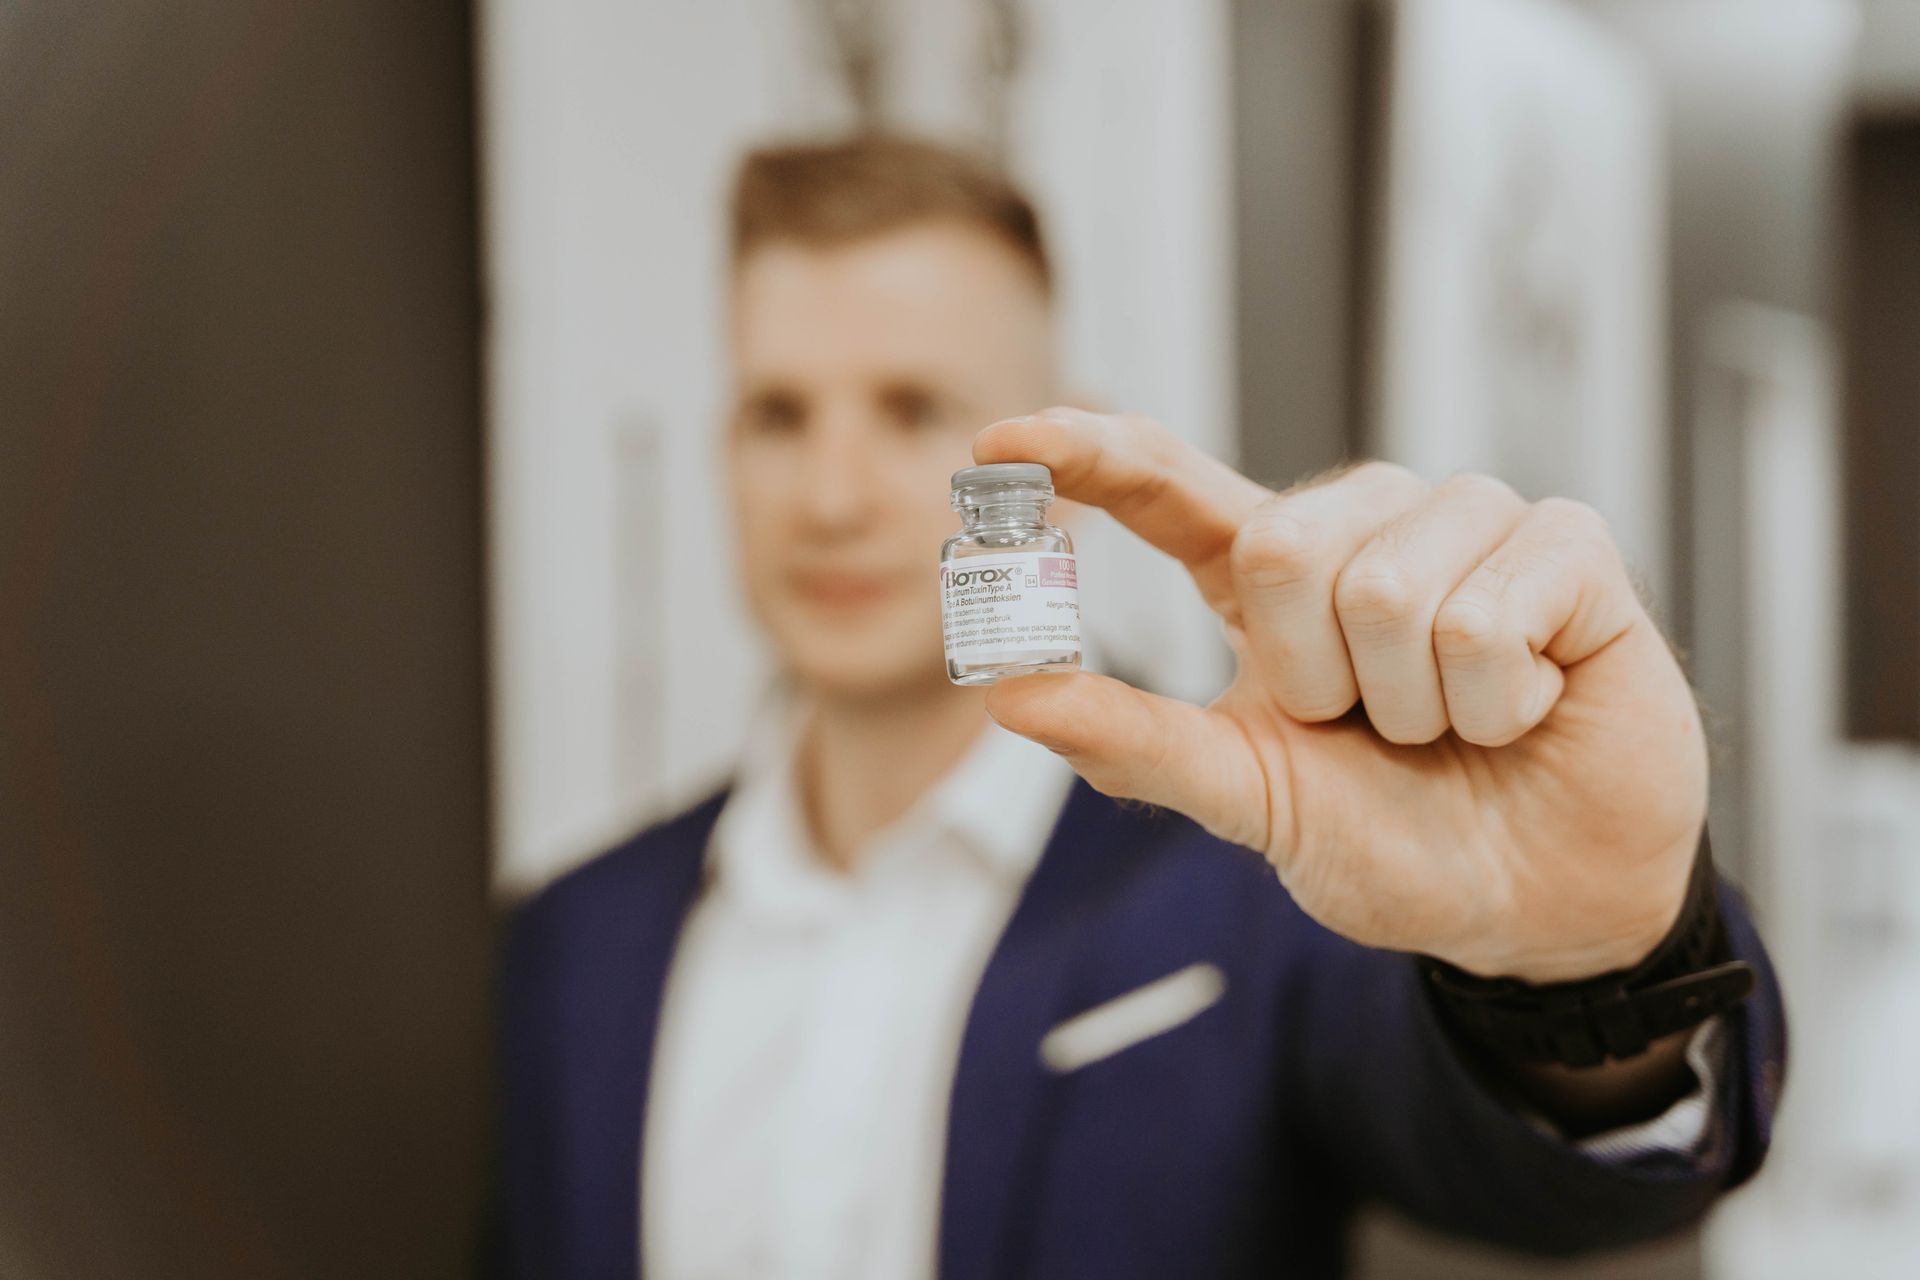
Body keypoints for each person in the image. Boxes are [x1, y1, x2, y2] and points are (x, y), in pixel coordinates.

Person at [495, 135, 1786, 1280]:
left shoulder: (1257, 873)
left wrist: (1596, 967)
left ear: (1062, 467)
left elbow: (1587, 1195)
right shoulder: (579, 939)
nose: (830, 493)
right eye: (778, 413)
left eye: (913, 409)